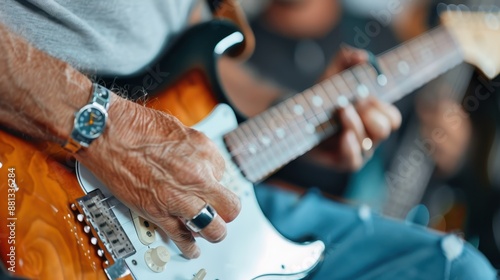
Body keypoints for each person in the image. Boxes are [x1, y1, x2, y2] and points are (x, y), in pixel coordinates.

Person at [0, 0, 496, 279]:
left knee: (455, 272)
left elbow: (187, 49)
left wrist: (299, 115)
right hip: (33, 177)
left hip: (202, 192)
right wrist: (104, 129)